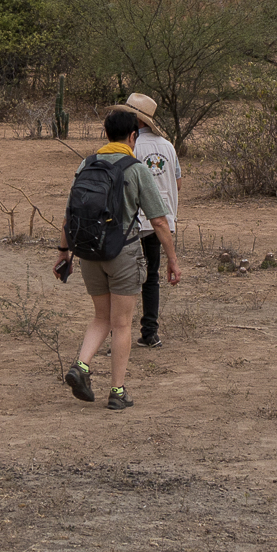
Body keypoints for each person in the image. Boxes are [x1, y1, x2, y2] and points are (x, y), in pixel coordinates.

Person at [58, 107, 181, 410]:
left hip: (89, 252)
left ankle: (81, 366)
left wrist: (63, 252)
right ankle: (117, 391)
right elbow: (160, 221)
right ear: (133, 136)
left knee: (101, 317)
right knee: (122, 323)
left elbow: (70, 212)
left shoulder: (87, 163)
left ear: (106, 134)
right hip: (123, 252)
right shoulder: (136, 168)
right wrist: (172, 259)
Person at [120, 93, 180, 350]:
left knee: (124, 279)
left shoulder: (132, 147)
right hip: (161, 220)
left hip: (134, 220)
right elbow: (177, 182)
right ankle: (150, 332)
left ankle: (118, 336)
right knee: (152, 276)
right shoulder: (168, 146)